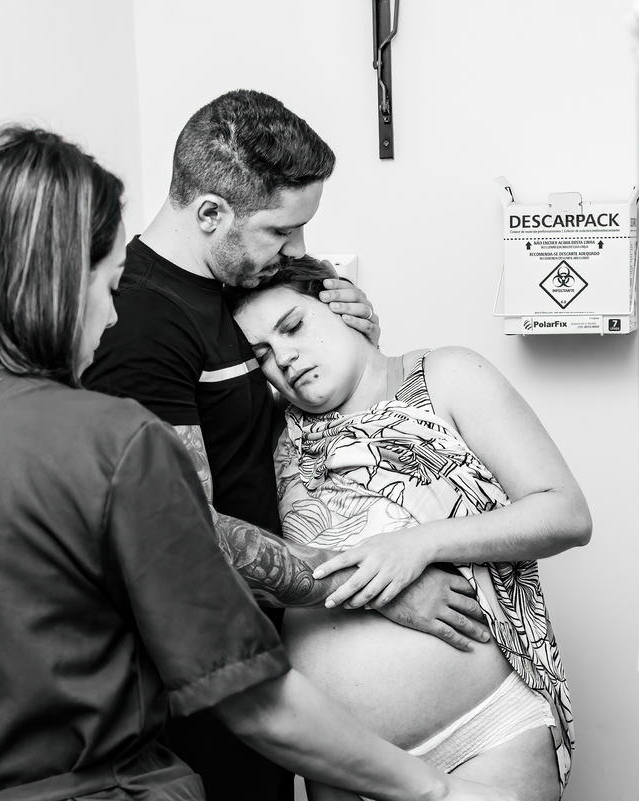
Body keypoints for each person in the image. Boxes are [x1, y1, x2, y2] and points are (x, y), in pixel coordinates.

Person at [0, 125, 514, 801]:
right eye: (107, 287)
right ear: (54, 283)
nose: (110, 318)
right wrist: (435, 789)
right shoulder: (111, 444)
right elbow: (257, 703)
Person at [83, 89, 490, 801]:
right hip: (197, 690)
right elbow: (187, 533)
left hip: (265, 658)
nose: (296, 250)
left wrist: (357, 344)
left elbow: (281, 432)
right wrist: (376, 585)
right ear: (210, 214)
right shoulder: (142, 327)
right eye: (281, 231)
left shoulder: (232, 284)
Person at [225, 256, 594, 801]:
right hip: (338, 762)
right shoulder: (269, 429)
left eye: (294, 326)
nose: (284, 358)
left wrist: (418, 544)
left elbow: (565, 513)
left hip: (484, 737)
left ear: (341, 305)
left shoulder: (443, 376)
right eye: (262, 355)